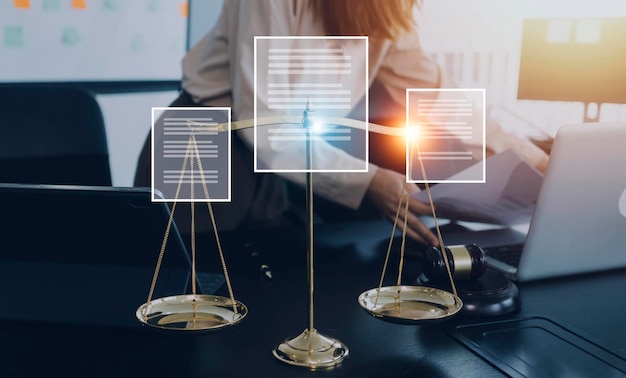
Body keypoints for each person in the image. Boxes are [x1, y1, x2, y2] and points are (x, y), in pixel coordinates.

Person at [135, 0, 548, 246]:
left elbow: (438, 97)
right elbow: (262, 122)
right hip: (202, 133)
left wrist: (532, 159)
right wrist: (367, 181)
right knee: (187, 296)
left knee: (267, 292)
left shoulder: (381, 10)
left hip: (281, 150)